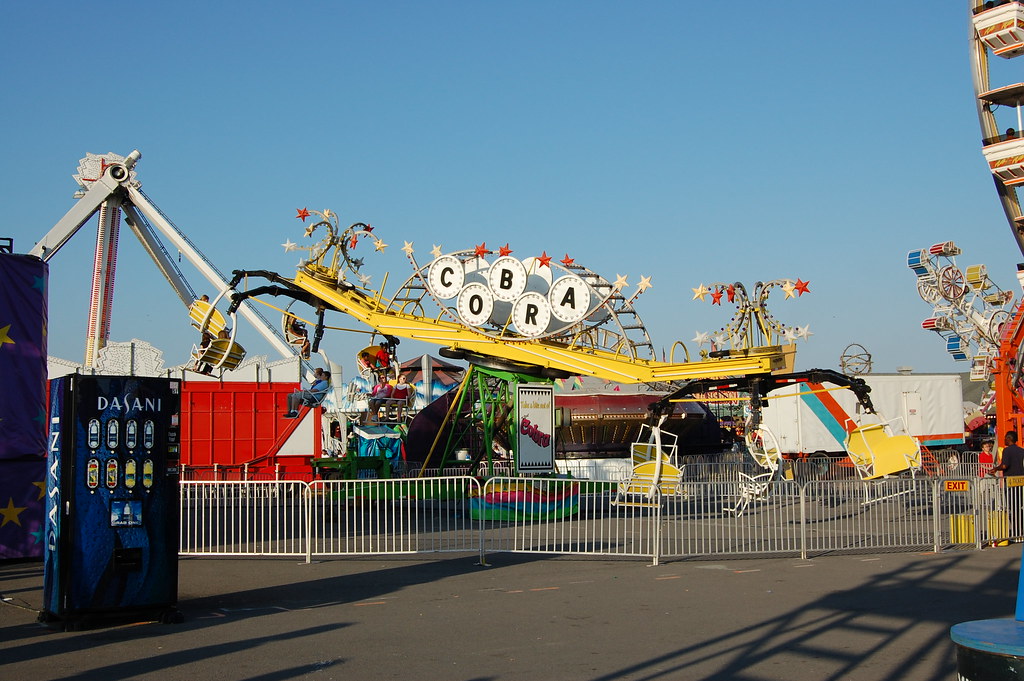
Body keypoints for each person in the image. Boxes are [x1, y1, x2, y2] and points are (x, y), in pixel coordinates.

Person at [990, 430, 1024, 541]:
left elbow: (1005, 465)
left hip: (1010, 482)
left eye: (1005, 438)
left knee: (1013, 508)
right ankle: (1022, 531)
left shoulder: (1007, 450)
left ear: (1009, 439)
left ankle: (1016, 532)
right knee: (1020, 507)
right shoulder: (1021, 451)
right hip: (1021, 481)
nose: (1004, 439)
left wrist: (995, 468)